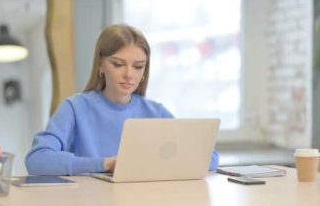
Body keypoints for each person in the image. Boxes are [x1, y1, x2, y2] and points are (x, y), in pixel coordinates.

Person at [25, 24, 219, 175]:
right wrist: (104, 164)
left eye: (138, 66)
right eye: (118, 64)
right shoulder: (74, 108)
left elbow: (210, 158)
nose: (129, 75)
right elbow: (36, 161)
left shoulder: (156, 112)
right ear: (100, 65)